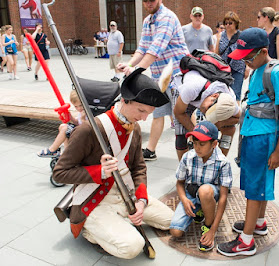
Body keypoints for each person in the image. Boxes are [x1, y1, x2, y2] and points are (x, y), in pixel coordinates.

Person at [52, 68, 174, 259]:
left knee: (171, 221)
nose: (143, 118)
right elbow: (59, 173)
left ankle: (120, 221)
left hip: (126, 192)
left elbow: (139, 167)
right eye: (141, 110)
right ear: (125, 100)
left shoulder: (134, 129)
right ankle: (90, 231)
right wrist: (98, 171)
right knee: (132, 247)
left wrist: (141, 202)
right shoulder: (88, 130)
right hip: (95, 200)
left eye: (148, 113)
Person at [217, 27, 279, 257]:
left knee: (254, 190)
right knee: (254, 184)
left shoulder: (275, 72)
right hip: (251, 135)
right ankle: (258, 223)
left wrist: (278, 150)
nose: (246, 62)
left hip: (264, 138)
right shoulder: (257, 70)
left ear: (263, 51)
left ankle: (246, 242)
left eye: (249, 56)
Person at [117, 0, 189, 161]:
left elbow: (156, 48)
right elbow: (143, 48)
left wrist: (136, 71)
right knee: (158, 114)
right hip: (159, 79)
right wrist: (129, 65)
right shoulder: (147, 22)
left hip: (177, 77)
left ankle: (188, 154)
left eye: (152, 0)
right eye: (145, 0)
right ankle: (151, 149)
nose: (149, 3)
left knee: (181, 118)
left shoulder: (167, 17)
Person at [169, 121, 232, 252]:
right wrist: (184, 199)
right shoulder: (188, 157)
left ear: (214, 144)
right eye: (194, 143)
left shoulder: (223, 162)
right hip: (191, 194)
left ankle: (207, 224)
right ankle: (200, 210)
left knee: (205, 191)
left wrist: (213, 230)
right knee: (175, 232)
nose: (197, 147)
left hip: (209, 194)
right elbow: (179, 183)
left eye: (202, 144)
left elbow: (223, 198)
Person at [172, 70, 240, 160]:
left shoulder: (230, 102)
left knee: (230, 128)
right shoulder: (191, 88)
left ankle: (218, 162)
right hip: (183, 92)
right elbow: (178, 113)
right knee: (181, 132)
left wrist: (221, 124)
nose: (205, 112)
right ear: (214, 96)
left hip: (202, 95)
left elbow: (239, 117)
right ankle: (184, 167)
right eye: (208, 110)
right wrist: (198, 133)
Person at [37, 90, 86, 157]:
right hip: (79, 130)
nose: (79, 108)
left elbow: (87, 127)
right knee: (63, 126)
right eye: (76, 106)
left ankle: (52, 150)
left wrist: (83, 119)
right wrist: (70, 117)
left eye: (80, 105)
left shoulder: (88, 113)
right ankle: (67, 151)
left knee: (65, 128)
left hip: (85, 134)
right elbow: (77, 122)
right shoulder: (81, 112)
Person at [215, 11, 246, 103]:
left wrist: (247, 67)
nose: (228, 25)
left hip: (237, 69)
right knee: (223, 94)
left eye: (230, 23)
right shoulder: (221, 36)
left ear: (236, 23)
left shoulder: (242, 36)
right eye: (226, 23)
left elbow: (246, 53)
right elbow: (216, 52)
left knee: (236, 94)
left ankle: (236, 115)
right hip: (223, 69)